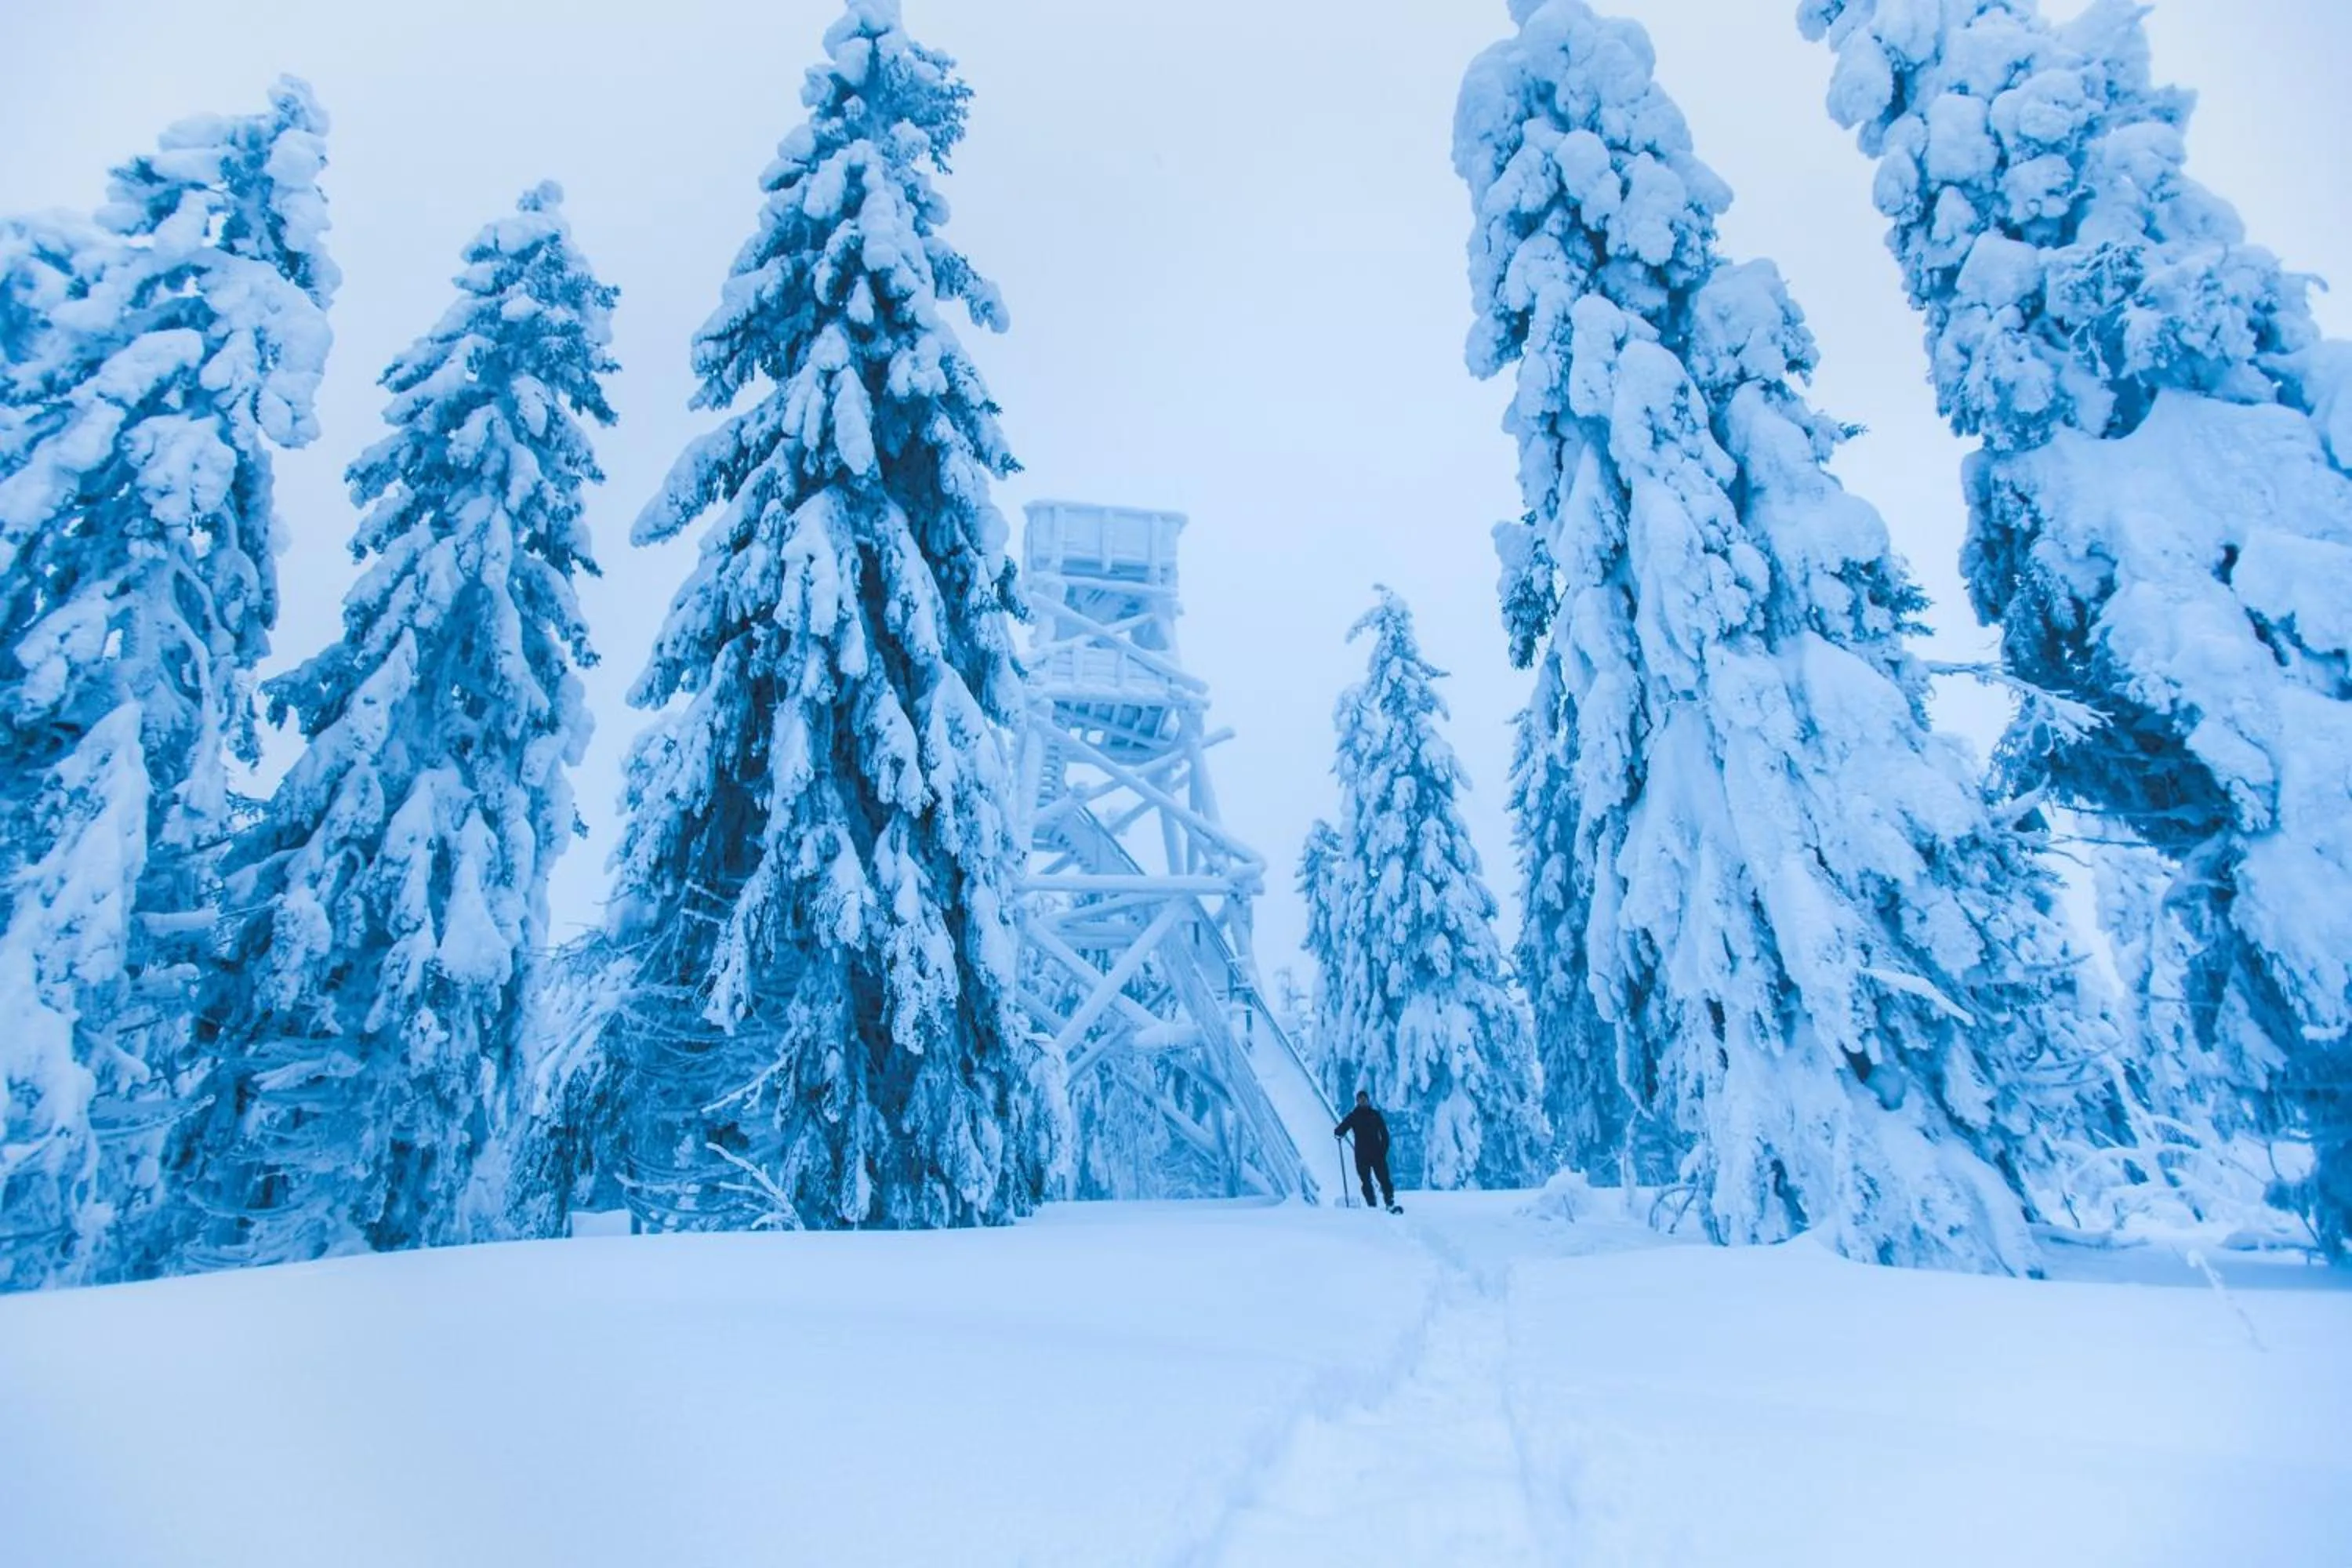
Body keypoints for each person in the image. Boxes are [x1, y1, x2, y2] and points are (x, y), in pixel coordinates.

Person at [1334, 1091, 1397, 1212]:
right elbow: (1342, 1128)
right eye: (1360, 1100)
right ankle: (1371, 1204)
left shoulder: (1375, 1115)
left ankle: (1389, 1201)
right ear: (1357, 1102)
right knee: (1365, 1181)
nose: (1362, 1102)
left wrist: (1383, 1150)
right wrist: (1338, 1132)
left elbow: (1385, 1134)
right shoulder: (1354, 1116)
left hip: (1377, 1153)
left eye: (1364, 1099)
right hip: (1361, 1155)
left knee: (1384, 1178)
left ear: (1368, 1100)